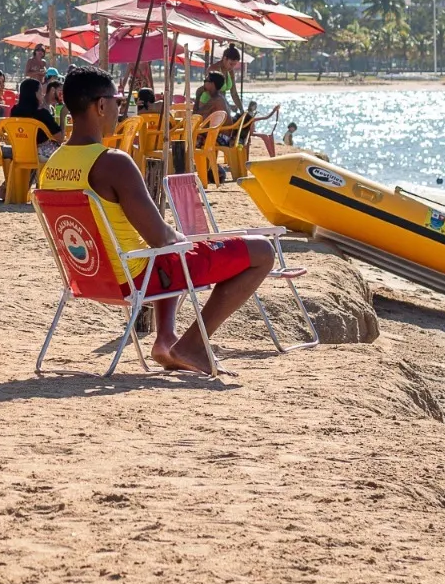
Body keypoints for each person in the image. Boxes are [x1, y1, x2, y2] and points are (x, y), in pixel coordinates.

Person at [39, 66, 277, 374]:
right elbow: (160, 238)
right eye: (118, 101)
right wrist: (191, 242)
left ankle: (166, 339)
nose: (119, 109)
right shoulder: (113, 163)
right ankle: (191, 345)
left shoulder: (51, 166)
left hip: (90, 277)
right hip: (133, 276)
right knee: (261, 251)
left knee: (169, 251)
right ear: (100, 105)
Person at [11, 76, 63, 163]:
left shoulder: (14, 111)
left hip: (20, 152)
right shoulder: (42, 114)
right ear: (35, 94)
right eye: (40, 92)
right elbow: (60, 138)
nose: (42, 94)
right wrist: (63, 116)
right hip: (41, 153)